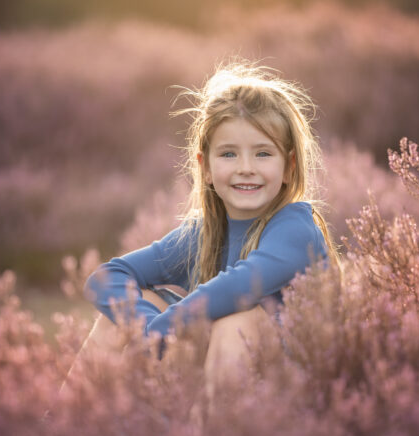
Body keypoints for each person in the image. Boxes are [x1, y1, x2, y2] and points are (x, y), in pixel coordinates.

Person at [79, 61, 340, 405]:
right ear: (206, 168)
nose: (246, 167)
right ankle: (61, 432)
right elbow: (106, 277)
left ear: (289, 166)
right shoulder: (203, 232)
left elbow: (242, 285)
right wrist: (144, 326)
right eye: (229, 153)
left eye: (263, 153)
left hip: (289, 394)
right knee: (120, 314)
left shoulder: (295, 228)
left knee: (236, 323)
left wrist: (157, 332)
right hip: (210, 371)